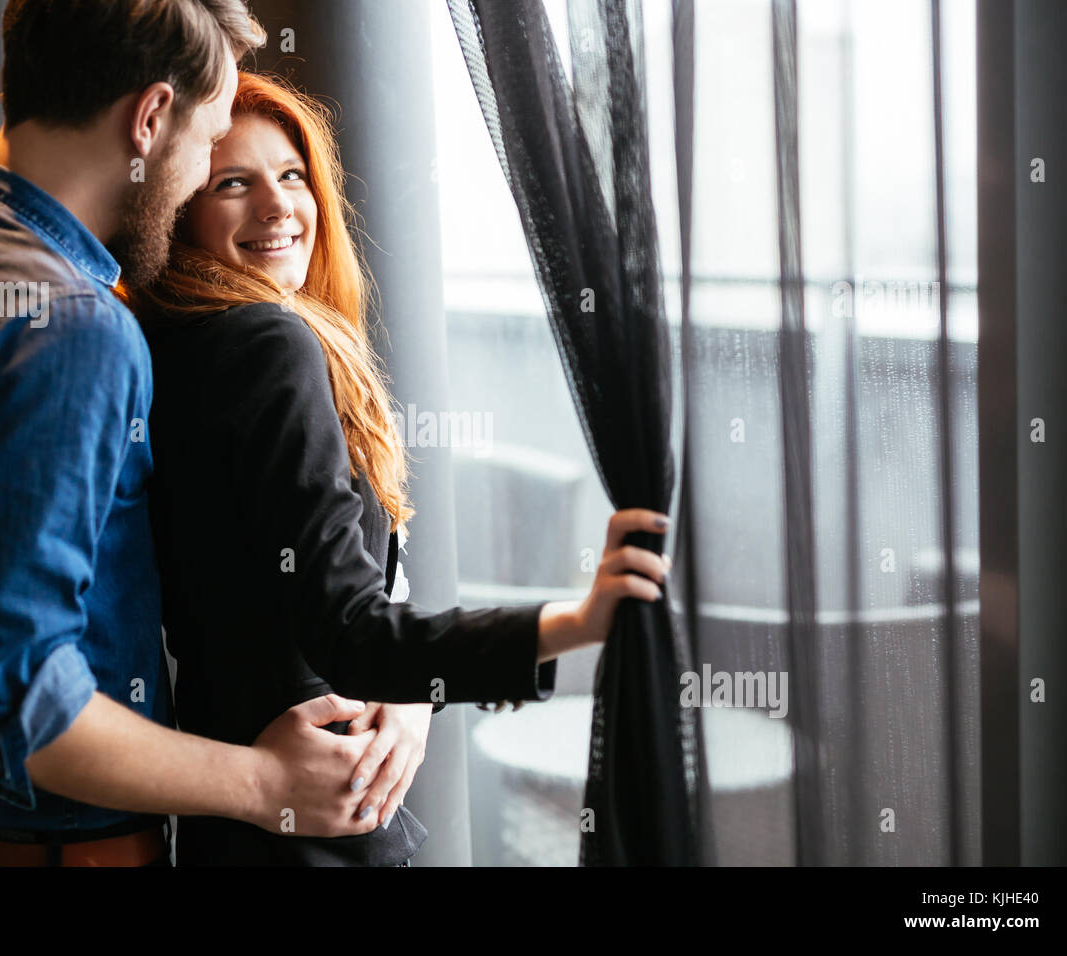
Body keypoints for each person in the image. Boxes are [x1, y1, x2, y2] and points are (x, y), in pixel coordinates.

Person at [0, 0, 395, 868]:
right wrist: (266, 783)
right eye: (210, 144)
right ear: (150, 119)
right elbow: (17, 700)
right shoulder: (70, 326)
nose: (208, 170)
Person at [130, 71, 673, 866]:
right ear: (179, 215)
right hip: (322, 823)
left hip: (239, 836)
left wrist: (407, 698)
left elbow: (328, 592)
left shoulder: (173, 349)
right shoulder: (266, 347)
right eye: (234, 185)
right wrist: (574, 623)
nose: (279, 207)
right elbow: (350, 627)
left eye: (292, 176)